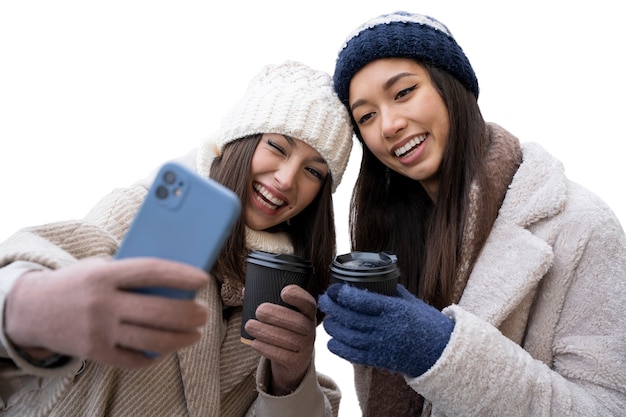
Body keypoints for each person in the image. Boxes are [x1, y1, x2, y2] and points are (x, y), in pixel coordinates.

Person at [0, 60, 353, 416]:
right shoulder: (146, 213)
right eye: (277, 147)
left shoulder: (281, 287)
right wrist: (30, 306)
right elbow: (28, 261)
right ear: (239, 140)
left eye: (313, 171)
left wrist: (289, 384)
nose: (287, 179)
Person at [318, 11, 626, 416]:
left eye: (404, 92)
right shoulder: (393, 238)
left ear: (452, 86)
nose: (389, 125)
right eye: (367, 116)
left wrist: (440, 352)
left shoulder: (580, 226)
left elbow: (607, 407)